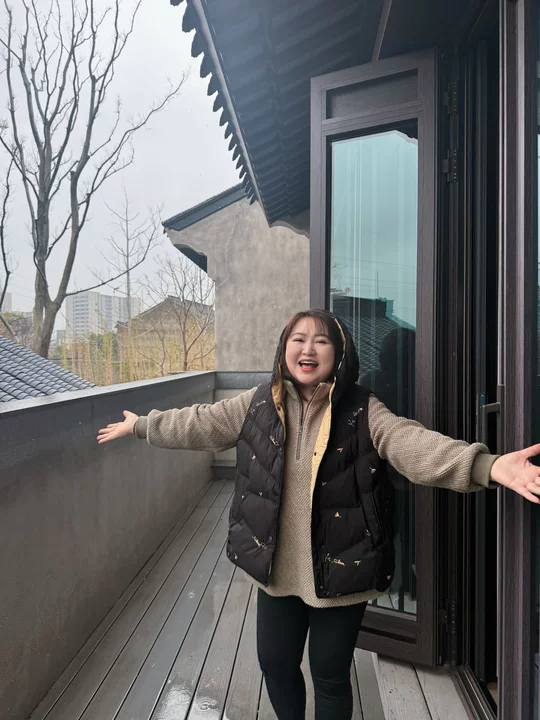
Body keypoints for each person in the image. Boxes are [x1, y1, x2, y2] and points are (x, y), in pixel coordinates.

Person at [97, 309, 540, 720]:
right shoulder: (257, 403)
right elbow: (200, 422)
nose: (308, 349)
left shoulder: (364, 409)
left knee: (329, 675)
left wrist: (488, 466)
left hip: (340, 569)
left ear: (339, 353)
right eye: (298, 339)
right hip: (277, 569)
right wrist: (142, 425)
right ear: (284, 347)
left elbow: (412, 443)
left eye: (321, 341)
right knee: (275, 664)